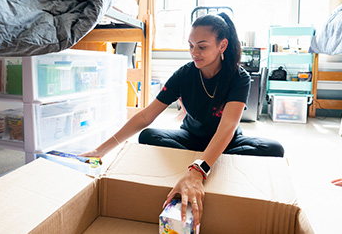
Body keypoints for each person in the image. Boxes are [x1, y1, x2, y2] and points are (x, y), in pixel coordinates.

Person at [80, 13, 284, 228]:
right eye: (191, 46)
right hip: (191, 137)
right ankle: (204, 158)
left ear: (222, 45)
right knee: (148, 136)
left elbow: (228, 127)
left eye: (202, 47)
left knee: (274, 149)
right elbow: (146, 116)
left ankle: (205, 159)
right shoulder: (184, 74)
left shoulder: (238, 77)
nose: (194, 53)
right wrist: (101, 149)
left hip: (226, 141)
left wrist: (197, 171)